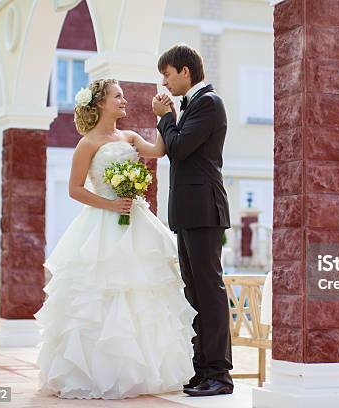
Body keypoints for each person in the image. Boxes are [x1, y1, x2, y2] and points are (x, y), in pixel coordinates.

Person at [34, 78, 197, 399]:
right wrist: (110, 203)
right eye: (117, 96)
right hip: (102, 223)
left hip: (136, 221)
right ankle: (98, 373)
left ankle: (140, 372)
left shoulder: (130, 135)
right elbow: (75, 189)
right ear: (100, 103)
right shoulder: (87, 143)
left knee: (142, 294)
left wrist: (165, 116)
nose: (123, 101)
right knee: (101, 296)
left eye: (122, 96)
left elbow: (159, 151)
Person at [142, 44, 233, 397]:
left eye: (166, 74)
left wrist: (164, 118)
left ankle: (219, 375)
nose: (164, 82)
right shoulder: (192, 106)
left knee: (209, 291)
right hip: (187, 211)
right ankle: (201, 370)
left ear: (184, 71)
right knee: (194, 292)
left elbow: (178, 149)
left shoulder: (209, 103)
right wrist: (171, 118)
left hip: (205, 210)